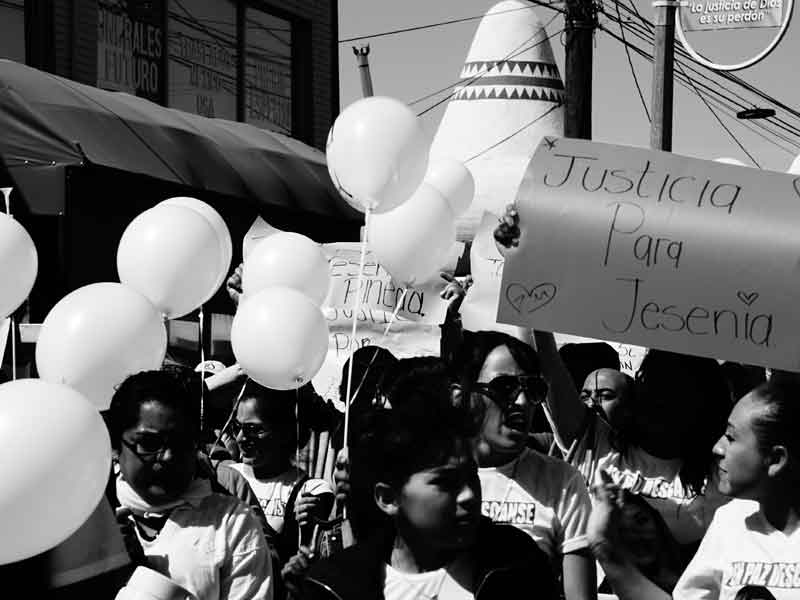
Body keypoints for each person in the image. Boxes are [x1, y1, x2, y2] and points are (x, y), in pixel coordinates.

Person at [495, 205, 731, 549]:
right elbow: (542, 363)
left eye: (675, 392)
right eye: (652, 385)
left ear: (700, 405)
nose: (660, 401)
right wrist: (523, 265)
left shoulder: (722, 476)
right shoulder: (596, 445)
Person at [301, 364, 559, 599]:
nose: (469, 495)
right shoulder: (334, 587)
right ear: (388, 498)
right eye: (446, 482)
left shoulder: (517, 565)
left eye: (472, 476)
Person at [589, 379, 800, 600]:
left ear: (775, 459)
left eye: (731, 437)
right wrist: (605, 548)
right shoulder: (730, 520)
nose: (717, 448)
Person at [453, 330, 597, 600]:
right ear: (463, 394)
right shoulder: (428, 476)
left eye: (533, 389)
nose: (521, 401)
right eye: (505, 387)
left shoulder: (562, 483)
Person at [107, 370, 272, 600]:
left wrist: (144, 581)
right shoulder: (86, 521)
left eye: (181, 442)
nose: (168, 456)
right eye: (150, 443)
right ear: (115, 447)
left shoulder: (231, 524)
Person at [217, 381, 334, 590]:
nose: (241, 438)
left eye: (253, 429)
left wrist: (310, 525)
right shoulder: (225, 477)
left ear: (284, 431)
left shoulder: (308, 490)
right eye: (237, 427)